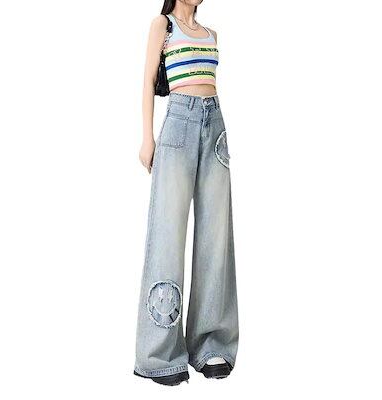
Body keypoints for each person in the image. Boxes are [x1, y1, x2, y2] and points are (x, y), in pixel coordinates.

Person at [134, 0, 239, 386]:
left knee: (216, 236)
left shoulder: (212, 34)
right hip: (178, 123)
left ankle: (211, 344)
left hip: (215, 126)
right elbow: (148, 80)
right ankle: (160, 353)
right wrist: (147, 138)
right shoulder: (162, 25)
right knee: (168, 234)